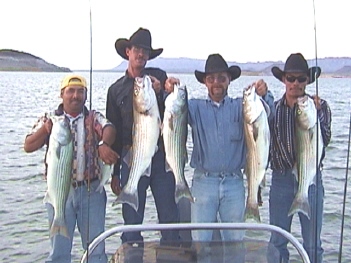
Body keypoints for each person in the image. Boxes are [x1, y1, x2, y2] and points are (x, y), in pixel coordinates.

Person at [165, 53, 274, 262]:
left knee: (235, 243)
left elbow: (266, 115)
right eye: (211, 78)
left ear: (229, 80)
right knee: (201, 243)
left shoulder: (241, 106)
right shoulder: (194, 106)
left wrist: (265, 94)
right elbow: (172, 113)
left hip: (234, 183)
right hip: (203, 183)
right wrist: (168, 89)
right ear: (205, 82)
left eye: (221, 78)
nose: (216, 83)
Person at [24, 74, 118, 263]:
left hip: (91, 192)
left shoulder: (93, 117)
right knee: (59, 253)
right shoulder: (49, 119)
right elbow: (28, 145)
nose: (75, 96)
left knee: (96, 251)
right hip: (60, 193)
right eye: (71, 91)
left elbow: (110, 128)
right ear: (62, 94)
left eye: (80, 92)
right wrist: (45, 130)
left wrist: (103, 143)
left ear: (85, 95)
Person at [106, 27, 181, 256]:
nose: (141, 54)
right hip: (132, 159)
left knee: (169, 219)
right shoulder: (115, 90)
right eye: (137, 49)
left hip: (160, 158)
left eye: (145, 51)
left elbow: (173, 108)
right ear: (128, 52)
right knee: (131, 223)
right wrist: (116, 172)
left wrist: (165, 90)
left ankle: (169, 259)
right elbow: (115, 134)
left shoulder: (158, 75)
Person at [267, 53, 332, 263]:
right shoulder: (274, 110)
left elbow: (326, 139)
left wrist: (318, 112)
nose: (296, 83)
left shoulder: (321, 108)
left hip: (311, 181)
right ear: (284, 80)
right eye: (291, 78)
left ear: (308, 80)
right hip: (280, 181)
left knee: (313, 244)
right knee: (277, 241)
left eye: (301, 79)